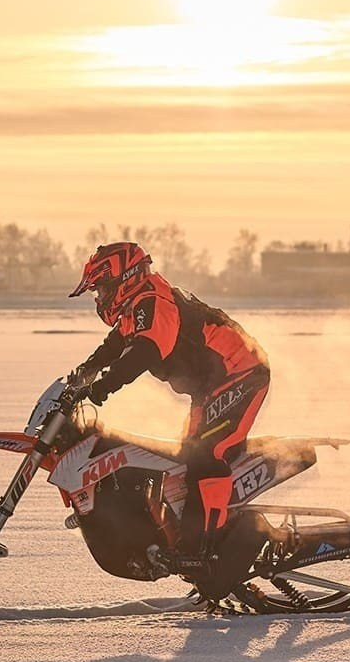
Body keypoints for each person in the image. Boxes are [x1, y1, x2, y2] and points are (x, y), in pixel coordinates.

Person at [68, 241, 270, 572]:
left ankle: (206, 549)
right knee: (184, 454)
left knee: (207, 455)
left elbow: (145, 351)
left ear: (125, 278)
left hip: (242, 373)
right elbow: (115, 345)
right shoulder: (137, 306)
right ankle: (184, 533)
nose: (100, 297)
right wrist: (83, 373)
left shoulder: (154, 302)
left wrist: (104, 385)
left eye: (103, 288)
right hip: (213, 385)